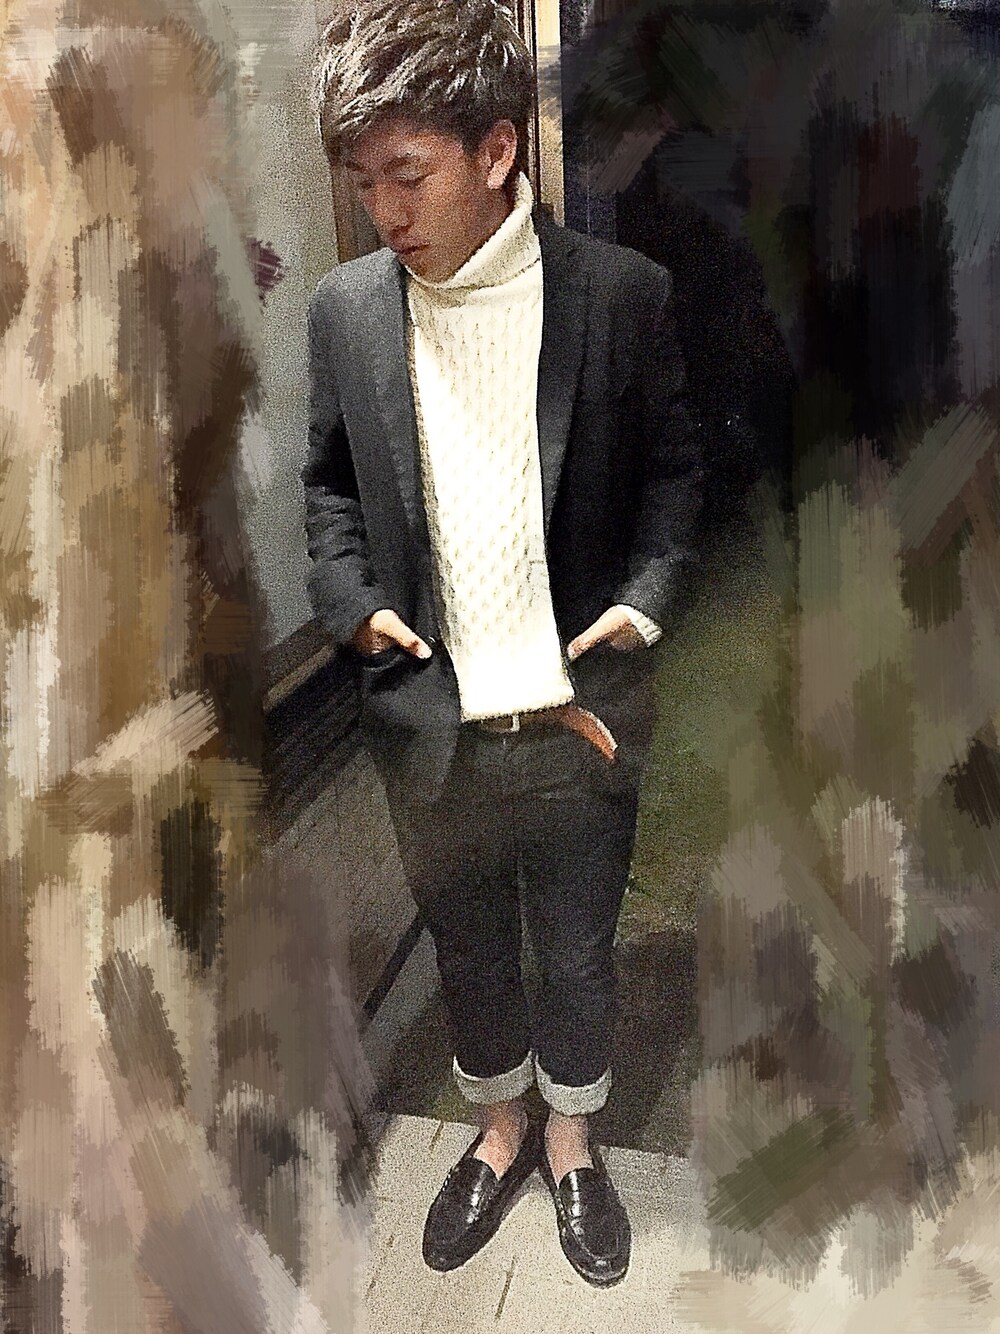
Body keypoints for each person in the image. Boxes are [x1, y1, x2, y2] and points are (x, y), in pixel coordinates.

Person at [304, 0, 701, 1288]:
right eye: (361, 180)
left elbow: (677, 475)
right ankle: (499, 1129)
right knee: (467, 941)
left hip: (580, 708)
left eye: (406, 174)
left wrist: (648, 595)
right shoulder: (346, 313)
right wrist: (349, 598)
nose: (382, 210)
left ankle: (572, 1140)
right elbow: (326, 487)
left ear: (496, 149)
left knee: (578, 945)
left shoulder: (621, 300)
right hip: (428, 714)